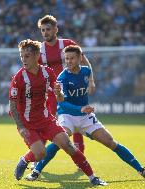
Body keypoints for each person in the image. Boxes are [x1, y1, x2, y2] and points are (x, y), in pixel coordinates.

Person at [26, 45, 145, 181]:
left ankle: (142, 170)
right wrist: (77, 107)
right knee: (60, 142)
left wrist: (92, 82)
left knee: (110, 142)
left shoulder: (86, 71)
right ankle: (36, 171)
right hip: (67, 115)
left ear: (80, 58)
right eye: (66, 59)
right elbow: (62, 102)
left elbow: (89, 69)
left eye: (72, 58)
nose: (68, 61)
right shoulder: (62, 77)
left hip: (85, 117)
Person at [9, 39, 107, 185]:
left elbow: (59, 97)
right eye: (21, 56)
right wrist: (21, 127)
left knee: (68, 145)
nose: (23, 59)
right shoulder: (19, 78)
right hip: (27, 123)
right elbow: (12, 105)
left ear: (37, 56)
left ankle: (93, 178)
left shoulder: (47, 73)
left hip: (46, 119)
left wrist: (58, 93)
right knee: (40, 153)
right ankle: (24, 160)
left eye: (27, 56)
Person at [29, 14, 94, 170]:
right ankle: (38, 158)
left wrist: (91, 80)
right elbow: (34, 70)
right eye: (42, 30)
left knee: (77, 121)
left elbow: (84, 61)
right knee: (45, 124)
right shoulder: (40, 50)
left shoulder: (67, 44)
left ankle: (80, 159)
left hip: (71, 92)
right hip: (51, 93)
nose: (45, 33)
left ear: (56, 29)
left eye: (48, 29)